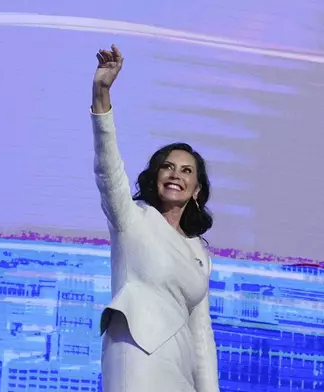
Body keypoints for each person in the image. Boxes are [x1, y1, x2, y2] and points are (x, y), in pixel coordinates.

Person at [90, 45, 220, 392]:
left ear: (196, 189)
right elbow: (109, 171)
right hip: (137, 358)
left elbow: (201, 335)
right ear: (156, 176)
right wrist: (101, 94)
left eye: (187, 170)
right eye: (168, 166)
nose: (176, 174)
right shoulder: (132, 219)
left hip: (182, 369)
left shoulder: (198, 254)